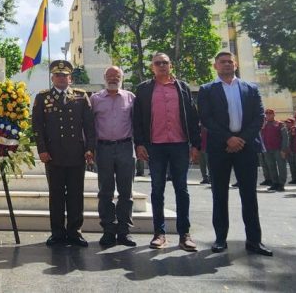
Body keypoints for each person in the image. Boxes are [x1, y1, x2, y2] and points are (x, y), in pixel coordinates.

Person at [198, 51, 272, 256]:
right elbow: (206, 118)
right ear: (215, 66)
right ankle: (220, 239)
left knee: (249, 195)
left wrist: (241, 139)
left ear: (236, 65)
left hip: (246, 148)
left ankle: (254, 241)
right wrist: (228, 138)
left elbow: (259, 117)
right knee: (219, 194)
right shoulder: (207, 90)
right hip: (219, 148)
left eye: (230, 61)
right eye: (222, 62)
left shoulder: (251, 88)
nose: (227, 64)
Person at [132, 52, 201, 252]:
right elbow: (137, 119)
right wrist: (139, 143)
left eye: (165, 62)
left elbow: (192, 117)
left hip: (180, 145)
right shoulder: (144, 89)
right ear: (152, 67)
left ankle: (184, 234)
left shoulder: (182, 87)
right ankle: (159, 234)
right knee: (157, 190)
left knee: (182, 190)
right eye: (158, 63)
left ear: (171, 65)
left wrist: (195, 145)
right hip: (155, 146)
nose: (162, 66)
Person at [32, 60, 96, 247]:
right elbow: (37, 126)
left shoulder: (81, 96)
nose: (61, 78)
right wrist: (42, 149)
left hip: (76, 154)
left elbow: (89, 126)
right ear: (52, 78)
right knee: (56, 195)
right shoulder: (42, 97)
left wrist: (90, 149)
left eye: (64, 75)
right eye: (57, 75)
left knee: (76, 194)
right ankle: (57, 233)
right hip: (53, 155)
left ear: (70, 78)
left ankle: (75, 232)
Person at [89, 66, 135, 247]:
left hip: (125, 147)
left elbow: (136, 123)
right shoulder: (95, 99)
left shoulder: (131, 98)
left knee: (126, 192)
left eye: (117, 76)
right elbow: (89, 125)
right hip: (104, 149)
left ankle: (124, 231)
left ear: (122, 78)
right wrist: (90, 149)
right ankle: (108, 230)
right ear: (104, 78)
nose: (113, 78)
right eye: (109, 75)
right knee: (105, 192)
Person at [261, 109, 289, 192]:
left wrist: (283, 149)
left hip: (278, 149)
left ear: (274, 115)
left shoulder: (280, 124)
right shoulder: (264, 125)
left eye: (270, 113)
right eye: (267, 114)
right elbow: (261, 136)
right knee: (271, 166)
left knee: (281, 167)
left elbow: (285, 137)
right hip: (267, 149)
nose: (268, 115)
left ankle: (281, 184)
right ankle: (275, 183)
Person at [284, 117, 296, 185]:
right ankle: (294, 178)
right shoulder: (287, 130)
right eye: (286, 123)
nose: (287, 124)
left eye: (289, 123)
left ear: (293, 123)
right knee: (292, 165)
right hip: (290, 150)